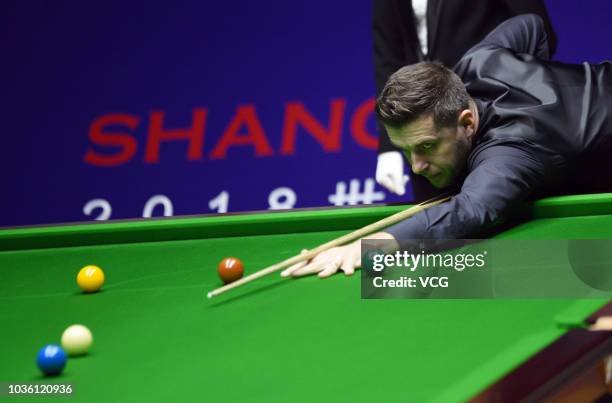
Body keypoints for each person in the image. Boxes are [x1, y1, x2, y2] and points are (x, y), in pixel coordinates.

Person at [282, 14, 612, 278]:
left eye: (426, 146)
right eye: (405, 150)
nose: (416, 166)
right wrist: (534, 75)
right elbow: (530, 25)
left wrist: (367, 248)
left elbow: (471, 210)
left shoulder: (510, 151)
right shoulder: (482, 60)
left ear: (467, 123)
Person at [373, 0, 557, 201]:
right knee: (440, 219)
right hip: (424, 128)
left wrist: (517, 111)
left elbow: (538, 28)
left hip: (488, 122)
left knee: (498, 209)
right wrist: (388, 147)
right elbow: (388, 58)